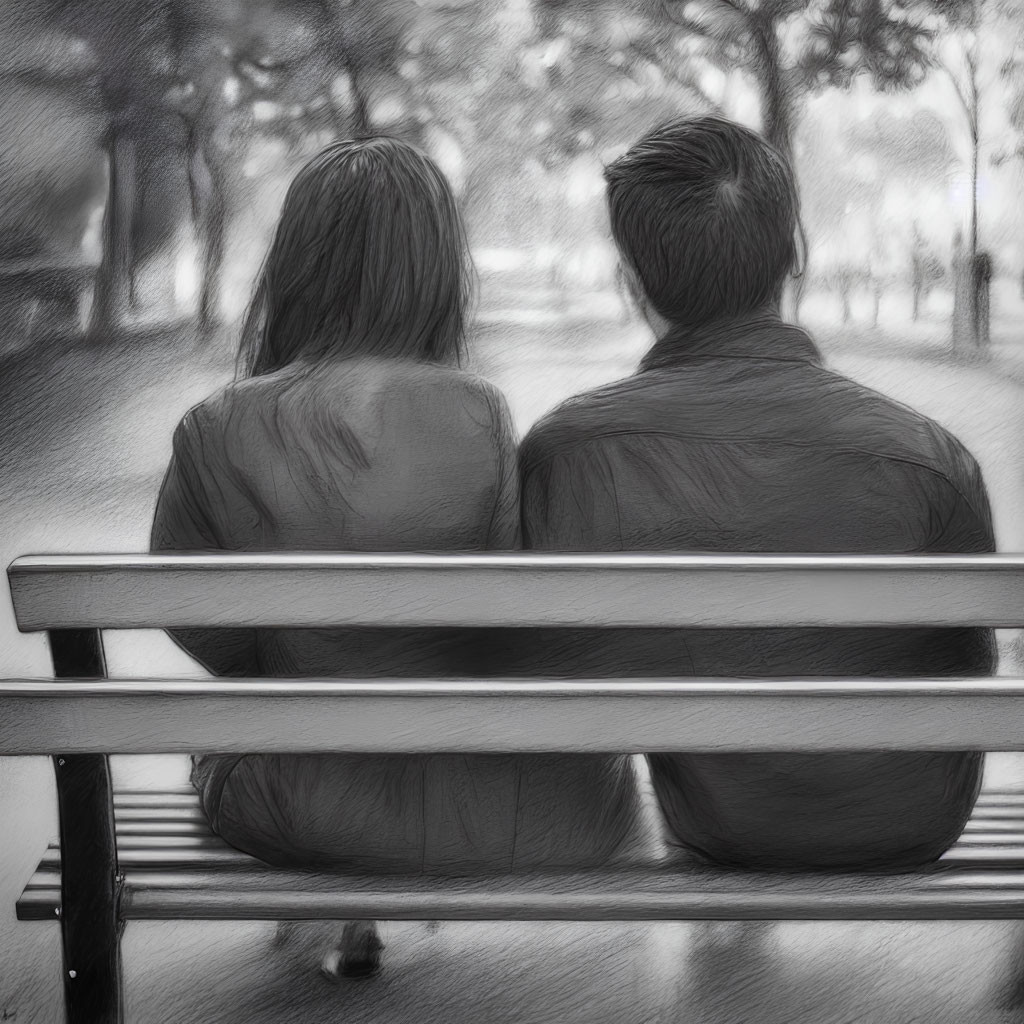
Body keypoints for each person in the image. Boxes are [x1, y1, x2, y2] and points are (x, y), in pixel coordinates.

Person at [151, 138, 644, 974]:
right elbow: (497, 622)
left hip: (295, 801)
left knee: (246, 737)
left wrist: (287, 656)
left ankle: (339, 897)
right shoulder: (480, 415)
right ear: (435, 271)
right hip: (466, 790)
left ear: (297, 263)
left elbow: (196, 621)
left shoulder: (216, 424)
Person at [517, 116, 996, 872]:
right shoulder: (930, 457)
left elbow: (555, 674)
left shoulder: (571, 450)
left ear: (630, 282)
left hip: (721, 822)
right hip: (913, 820)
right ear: (797, 253)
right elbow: (968, 671)